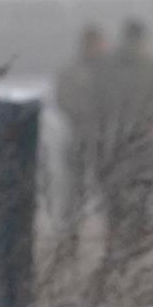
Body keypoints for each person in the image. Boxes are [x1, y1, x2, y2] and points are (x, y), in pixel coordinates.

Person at [93, 17, 153, 238]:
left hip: (118, 138)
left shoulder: (107, 65)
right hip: (152, 136)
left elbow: (97, 100)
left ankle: (119, 236)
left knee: (119, 190)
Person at [51, 23, 107, 232]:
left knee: (110, 190)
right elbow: (62, 99)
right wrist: (85, 113)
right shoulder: (72, 71)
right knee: (74, 191)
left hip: (106, 138)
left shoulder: (112, 71)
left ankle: (115, 237)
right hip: (80, 136)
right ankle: (70, 237)